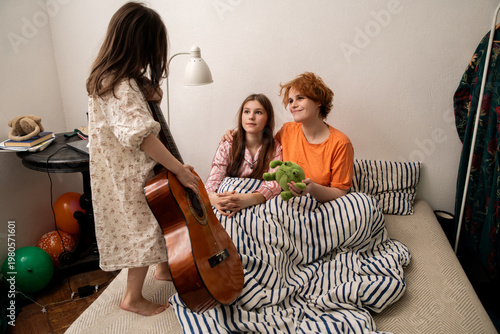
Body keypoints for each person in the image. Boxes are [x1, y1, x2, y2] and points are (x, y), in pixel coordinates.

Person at [86, 2, 200, 316]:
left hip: (123, 169)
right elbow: (143, 136)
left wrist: (150, 92)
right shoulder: (119, 85)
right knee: (143, 229)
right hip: (128, 174)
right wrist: (178, 170)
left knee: (161, 219)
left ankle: (163, 269)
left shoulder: (114, 78)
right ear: (139, 44)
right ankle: (132, 297)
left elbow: (139, 108)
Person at [225, 73, 353, 203]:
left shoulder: (340, 143)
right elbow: (263, 148)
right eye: (291, 101)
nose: (293, 105)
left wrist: (312, 189)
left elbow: (340, 191)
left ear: (319, 101)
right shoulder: (287, 130)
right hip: (287, 201)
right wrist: (237, 133)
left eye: (300, 98)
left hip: (321, 203)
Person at [206, 94, 282, 217]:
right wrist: (213, 198)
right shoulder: (228, 145)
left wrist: (247, 199)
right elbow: (213, 181)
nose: (251, 117)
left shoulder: (276, 147)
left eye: (258, 112)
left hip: (257, 203)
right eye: (246, 112)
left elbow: (274, 185)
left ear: (268, 119)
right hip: (227, 200)